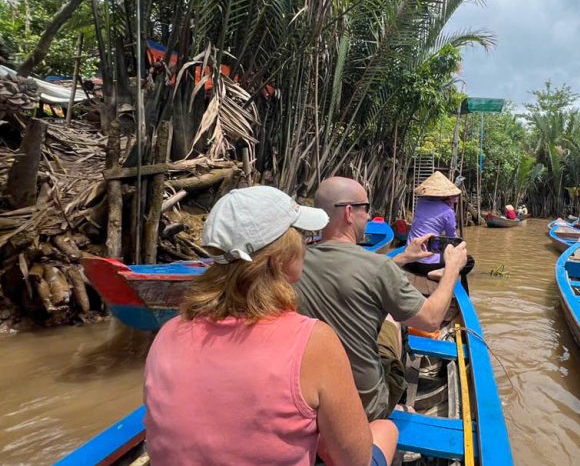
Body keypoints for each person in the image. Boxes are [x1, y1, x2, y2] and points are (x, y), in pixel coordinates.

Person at [143, 186, 397, 466]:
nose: (305, 244)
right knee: (386, 430)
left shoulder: (168, 332)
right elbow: (355, 461)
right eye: (300, 236)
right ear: (279, 259)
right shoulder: (315, 341)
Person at [295, 176, 468, 421]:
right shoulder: (377, 268)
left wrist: (404, 257)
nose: (368, 216)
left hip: (312, 393)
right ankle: (397, 401)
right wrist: (452, 269)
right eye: (366, 209)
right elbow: (431, 320)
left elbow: (356, 271)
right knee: (394, 320)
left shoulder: (296, 262)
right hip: (365, 403)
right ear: (348, 212)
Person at [404, 171, 474, 279]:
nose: (455, 199)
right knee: (468, 261)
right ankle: (442, 271)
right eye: (453, 197)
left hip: (409, 261)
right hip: (427, 266)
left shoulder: (421, 203)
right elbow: (452, 238)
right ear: (446, 196)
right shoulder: (448, 212)